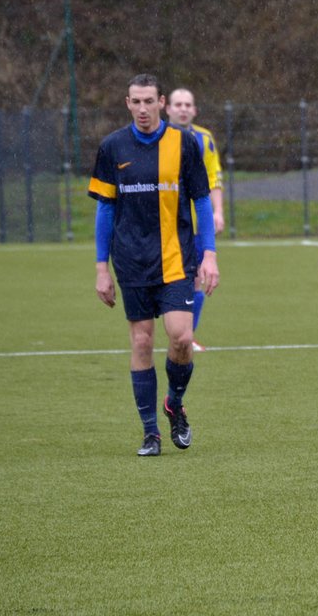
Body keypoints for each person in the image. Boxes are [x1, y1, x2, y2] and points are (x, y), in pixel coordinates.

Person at [89, 73, 220, 457]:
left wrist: (209, 254)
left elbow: (201, 202)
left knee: (180, 337)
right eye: (136, 101)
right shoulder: (113, 147)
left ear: (161, 102)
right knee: (142, 340)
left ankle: (174, 403)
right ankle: (150, 433)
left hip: (177, 258)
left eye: (149, 101)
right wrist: (101, 268)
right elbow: (104, 209)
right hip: (130, 260)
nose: (143, 109)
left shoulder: (184, 143)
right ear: (127, 103)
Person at [165, 87, 225, 351]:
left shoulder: (204, 139)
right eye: (178, 104)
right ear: (167, 108)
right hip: (164, 223)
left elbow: (214, 178)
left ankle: (188, 335)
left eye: (188, 104)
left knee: (196, 277)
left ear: (195, 110)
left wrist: (218, 212)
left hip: (196, 223)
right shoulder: (156, 138)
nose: (183, 109)